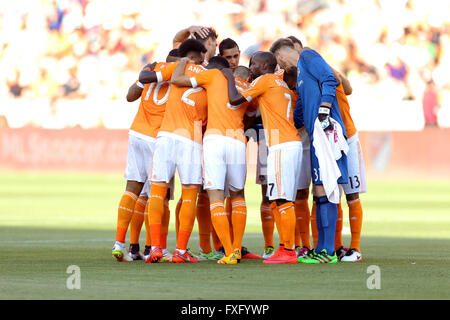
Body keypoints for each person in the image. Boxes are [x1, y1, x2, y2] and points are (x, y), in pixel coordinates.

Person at [271, 40, 349, 265]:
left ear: (281, 57)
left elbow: (329, 78)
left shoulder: (307, 56)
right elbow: (302, 110)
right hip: (316, 138)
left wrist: (324, 107)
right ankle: (321, 248)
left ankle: (327, 252)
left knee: (327, 189)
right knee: (320, 192)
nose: (281, 68)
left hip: (326, 130)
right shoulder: (301, 78)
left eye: (279, 63)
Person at [171, 56, 254, 265]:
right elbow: (253, 116)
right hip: (237, 141)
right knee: (238, 196)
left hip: (215, 140)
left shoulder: (214, 75)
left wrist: (184, 61)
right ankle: (236, 247)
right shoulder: (249, 88)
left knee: (215, 196)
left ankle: (228, 252)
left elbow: (178, 79)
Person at [222, 51, 301, 264]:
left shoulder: (265, 80)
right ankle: (285, 248)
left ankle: (289, 251)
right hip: (291, 142)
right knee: (281, 199)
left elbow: (235, 99)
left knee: (282, 200)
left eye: (253, 63)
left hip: (281, 145)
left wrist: (230, 77)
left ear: (264, 66)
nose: (250, 67)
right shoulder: (281, 84)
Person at [139, 39, 208, 263]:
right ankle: (180, 251)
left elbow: (145, 78)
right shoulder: (208, 73)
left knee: (157, 192)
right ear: (197, 55)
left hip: (166, 135)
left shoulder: (173, 68)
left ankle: (156, 248)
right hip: (190, 138)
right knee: (189, 194)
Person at [111, 51, 178, 262]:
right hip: (155, 138)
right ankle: (151, 248)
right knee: (157, 195)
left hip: (136, 133)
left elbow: (130, 96)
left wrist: (144, 75)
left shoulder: (151, 71)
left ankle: (120, 244)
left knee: (132, 189)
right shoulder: (178, 77)